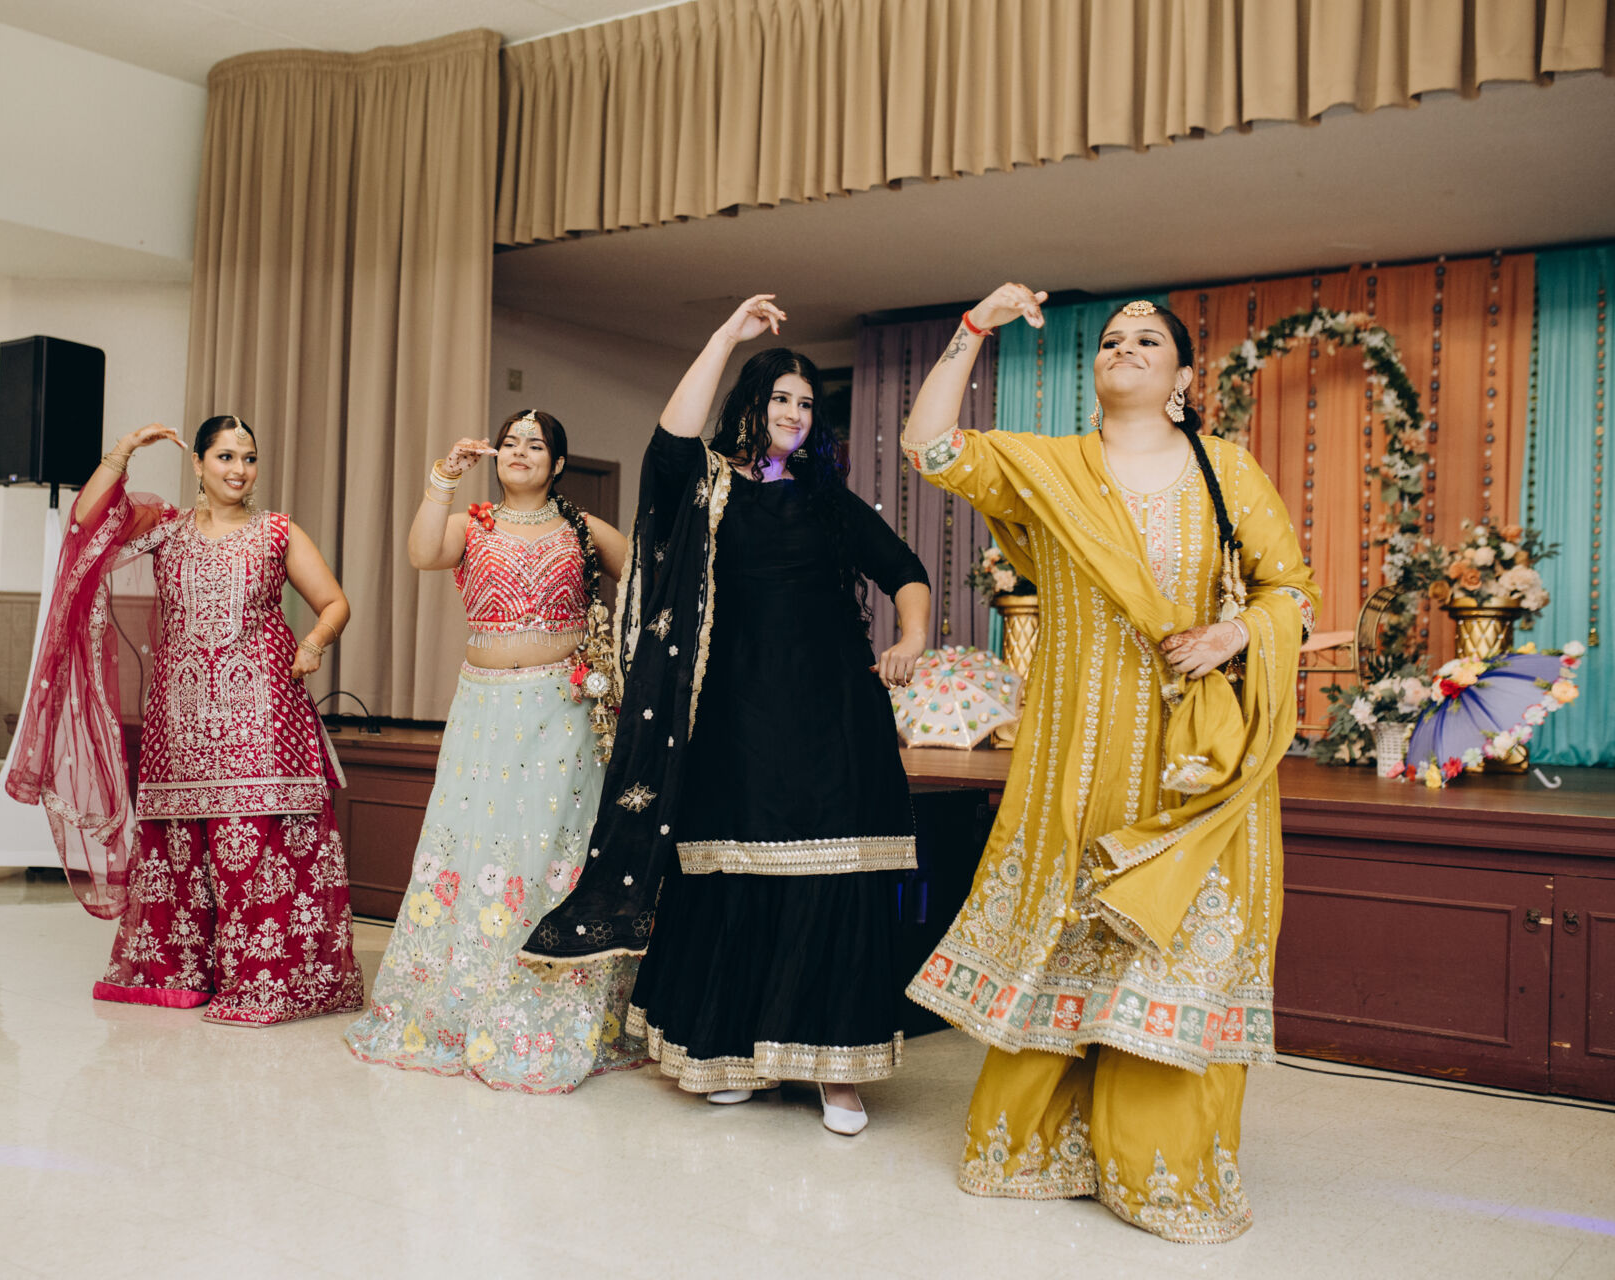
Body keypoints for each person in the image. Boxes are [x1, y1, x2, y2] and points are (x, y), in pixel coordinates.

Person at [899, 289, 1319, 1242]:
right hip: (1078, 753)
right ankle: (1041, 1147)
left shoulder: (1226, 469)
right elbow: (929, 447)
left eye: (1148, 339)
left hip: (1189, 762)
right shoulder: (1050, 469)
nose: (1124, 348)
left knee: (1172, 944)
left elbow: (1291, 592)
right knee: (1068, 928)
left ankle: (1159, 1169)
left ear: (1182, 376)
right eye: (1111, 339)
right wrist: (974, 327)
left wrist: (1232, 635)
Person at [521, 296, 932, 1135]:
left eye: (807, 403)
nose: (795, 413)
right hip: (734, 717)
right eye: (781, 397)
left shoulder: (826, 498)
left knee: (836, 877)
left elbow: (904, 568)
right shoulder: (705, 487)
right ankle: (733, 1051)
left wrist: (915, 637)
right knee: (735, 873)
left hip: (835, 717)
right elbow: (669, 441)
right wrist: (723, 337)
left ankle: (836, 1072)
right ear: (752, 402)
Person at [4, 415, 364, 1027]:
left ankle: (270, 980)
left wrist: (314, 643)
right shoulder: (164, 530)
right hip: (181, 717)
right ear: (198, 463)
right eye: (225, 457)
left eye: (249, 458)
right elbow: (86, 522)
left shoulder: (277, 531)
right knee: (180, 845)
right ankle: (183, 972)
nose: (239, 470)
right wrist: (123, 451)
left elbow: (334, 602)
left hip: (263, 714)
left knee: (257, 842)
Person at [344, 409, 650, 1091]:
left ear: (558, 464)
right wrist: (443, 478)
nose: (520, 452)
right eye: (510, 442)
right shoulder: (472, 523)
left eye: (535, 445)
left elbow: (648, 578)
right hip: (483, 711)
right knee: (476, 841)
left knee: (551, 846)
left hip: (563, 712)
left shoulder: (579, 527)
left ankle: (558, 997)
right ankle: (463, 999)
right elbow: (422, 552)